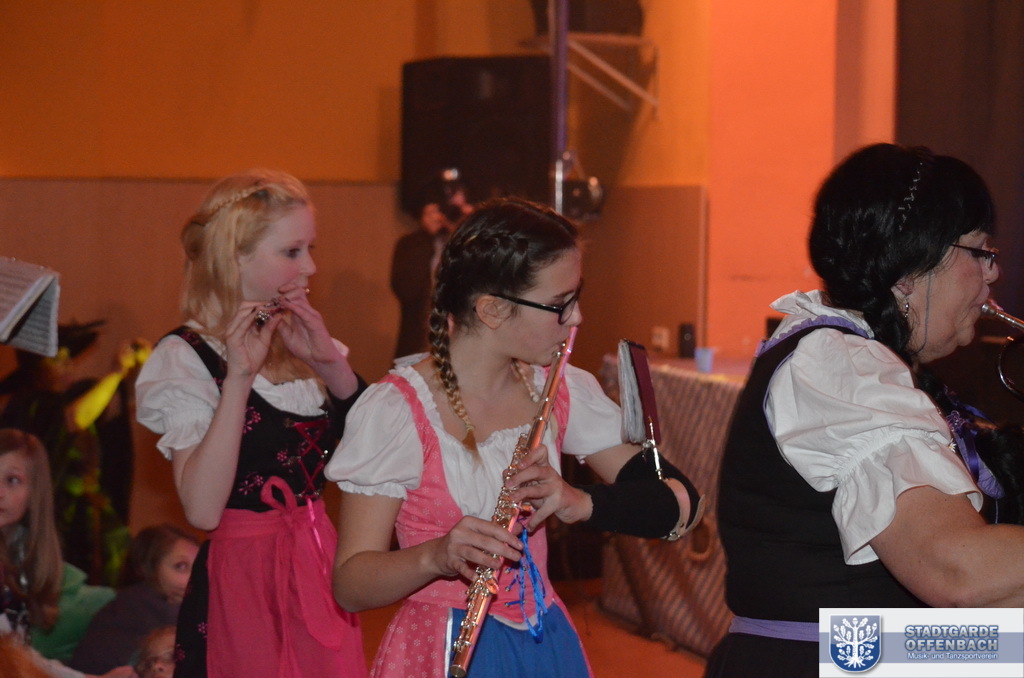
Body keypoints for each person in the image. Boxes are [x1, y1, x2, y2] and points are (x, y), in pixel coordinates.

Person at [329, 198, 702, 677]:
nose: (577, 319)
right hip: (440, 650)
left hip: (542, 643)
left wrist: (578, 502)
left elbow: (682, 502)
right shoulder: (396, 410)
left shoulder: (561, 390)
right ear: (492, 310)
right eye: (560, 304)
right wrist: (435, 556)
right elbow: (351, 585)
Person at [705, 143, 1024, 678]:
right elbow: (956, 571)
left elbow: (922, 636)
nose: (992, 275)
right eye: (980, 252)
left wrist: (1005, 650)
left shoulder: (868, 364)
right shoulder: (841, 366)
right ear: (910, 269)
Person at [134, 169, 368, 678]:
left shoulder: (301, 339)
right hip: (241, 583)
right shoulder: (187, 357)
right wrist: (238, 379)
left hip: (317, 562)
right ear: (234, 256)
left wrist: (331, 364)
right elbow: (202, 509)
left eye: (310, 248)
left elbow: (377, 452)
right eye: (292, 251)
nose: (310, 266)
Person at [0, 428, 132, 678]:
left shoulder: (21, 553)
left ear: (34, 493)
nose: (0, 491)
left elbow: (18, 655)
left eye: (12, 480)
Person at [71, 524, 199, 674]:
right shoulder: (136, 608)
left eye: (200, 567)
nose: (196, 577)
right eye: (181, 566)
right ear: (148, 569)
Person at [390, 171, 475, 359]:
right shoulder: (411, 244)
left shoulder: (473, 244)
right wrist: (425, 238)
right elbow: (406, 291)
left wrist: (472, 232)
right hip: (419, 347)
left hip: (467, 348)